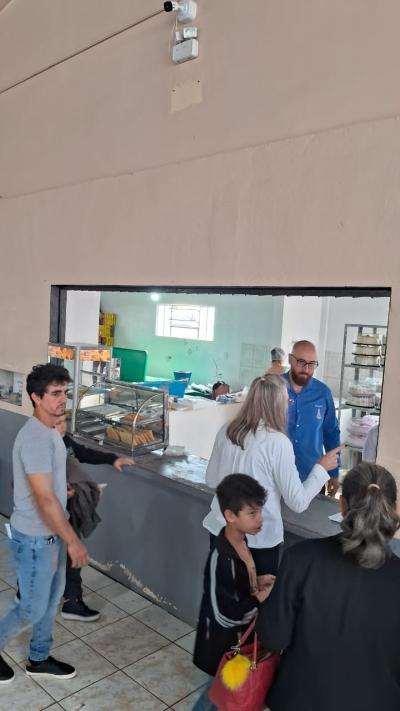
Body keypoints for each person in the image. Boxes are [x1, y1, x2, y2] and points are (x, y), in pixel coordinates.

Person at [257, 462, 400, 711]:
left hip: (301, 700)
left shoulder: (300, 559)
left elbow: (273, 637)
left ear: (342, 506)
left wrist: (273, 599)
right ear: (396, 509)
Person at [0, 364, 90, 685]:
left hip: (52, 536)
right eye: (55, 393)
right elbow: (44, 501)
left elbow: (46, 488)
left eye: (65, 392)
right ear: (37, 398)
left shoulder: (51, 432)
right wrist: (75, 541)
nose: (62, 399)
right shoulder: (36, 437)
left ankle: (38, 657)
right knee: (30, 609)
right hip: (36, 539)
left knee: (51, 603)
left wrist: (62, 489)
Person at [203, 375, 340, 576]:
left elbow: (212, 480)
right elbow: (298, 502)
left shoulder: (227, 431)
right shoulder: (277, 442)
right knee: (258, 601)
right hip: (257, 540)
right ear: (278, 405)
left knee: (221, 599)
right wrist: (321, 468)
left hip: (221, 531)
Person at [192, 474, 275, 711]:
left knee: (225, 696)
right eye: (252, 514)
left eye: (259, 511)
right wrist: (260, 597)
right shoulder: (223, 558)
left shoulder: (240, 541)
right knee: (213, 696)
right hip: (221, 646)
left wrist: (257, 580)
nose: (260, 519)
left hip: (235, 642)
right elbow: (226, 615)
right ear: (230, 515)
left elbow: (237, 584)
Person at [55, 417, 134, 621]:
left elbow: (84, 453)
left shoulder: (65, 441)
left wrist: (112, 459)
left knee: (71, 560)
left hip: (68, 512)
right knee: (45, 557)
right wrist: (61, 492)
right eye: (56, 424)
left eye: (63, 421)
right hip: (49, 517)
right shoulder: (39, 447)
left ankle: (72, 601)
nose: (62, 426)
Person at [283, 340, 340, 496]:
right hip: (276, 475)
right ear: (290, 359)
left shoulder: (322, 393)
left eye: (312, 364)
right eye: (301, 362)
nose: (306, 369)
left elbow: (331, 434)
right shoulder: (273, 388)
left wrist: (334, 473)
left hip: (312, 476)